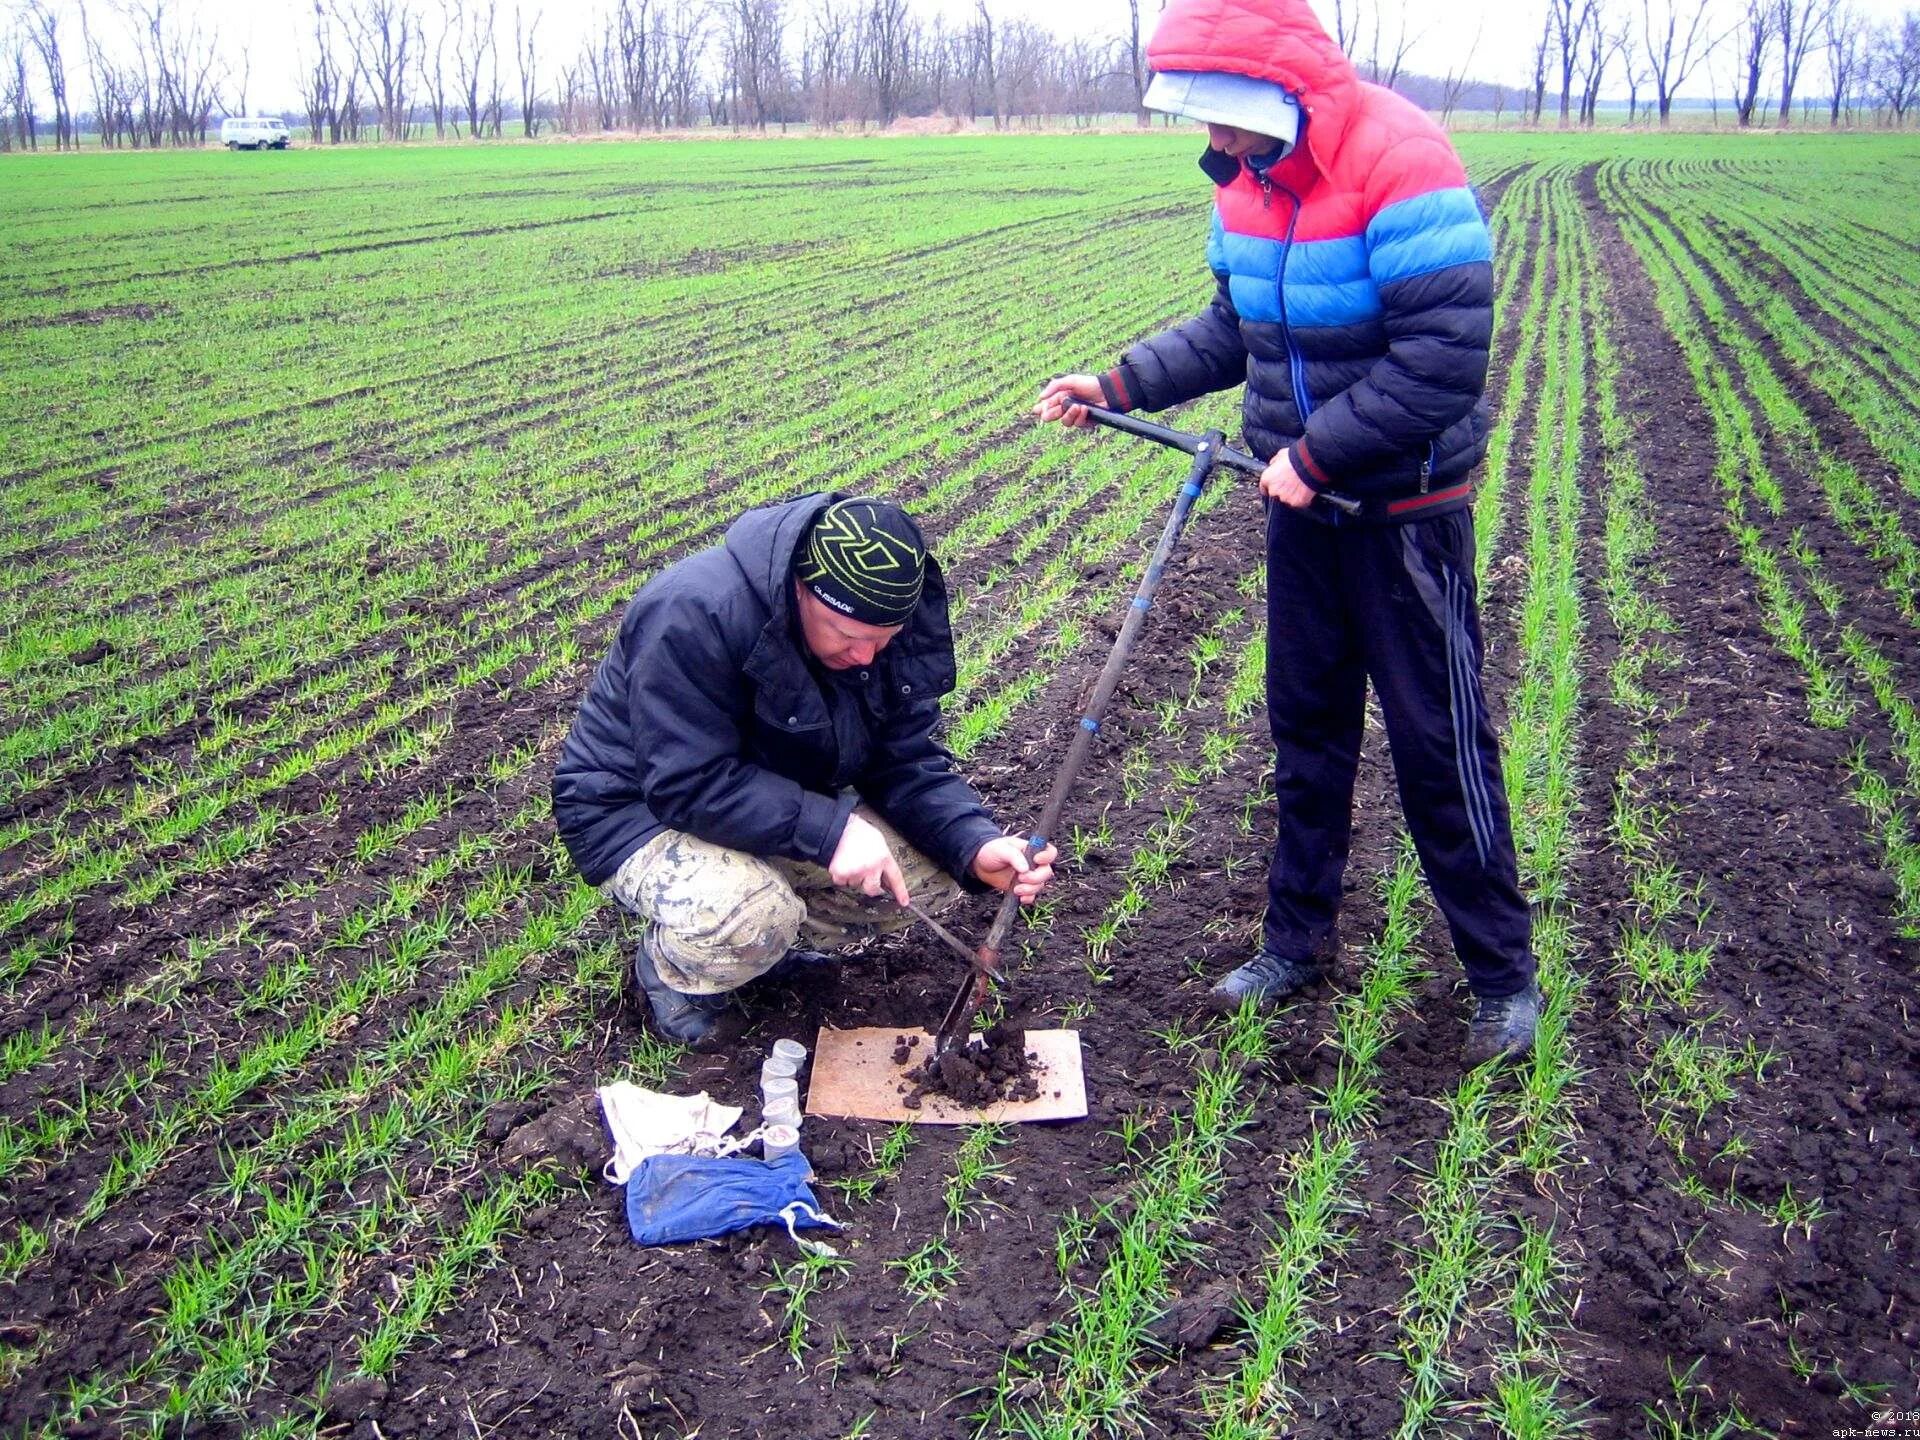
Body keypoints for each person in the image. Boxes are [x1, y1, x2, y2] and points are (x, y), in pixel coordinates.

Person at [1034, 0, 1539, 1064]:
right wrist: (1119, 381)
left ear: (1286, 97)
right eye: (1202, 120)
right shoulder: (1251, 186)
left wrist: (1315, 456)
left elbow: (1446, 357)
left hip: (1402, 513)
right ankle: (1295, 942)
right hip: (1300, 509)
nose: (1211, 142)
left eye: (1225, 119)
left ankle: (1502, 974)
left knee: (1438, 744)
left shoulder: (1399, 156)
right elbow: (1235, 331)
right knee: (1305, 733)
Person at [552, 494, 1056, 1047]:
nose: (866, 658)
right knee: (749, 915)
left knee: (931, 874)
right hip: (638, 811)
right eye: (847, 637)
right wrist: (831, 830)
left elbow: (905, 758)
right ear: (798, 589)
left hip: (766, 798)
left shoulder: (880, 633)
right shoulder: (693, 611)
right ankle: (676, 970)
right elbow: (685, 782)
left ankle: (766, 936)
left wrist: (974, 843)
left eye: (881, 642)